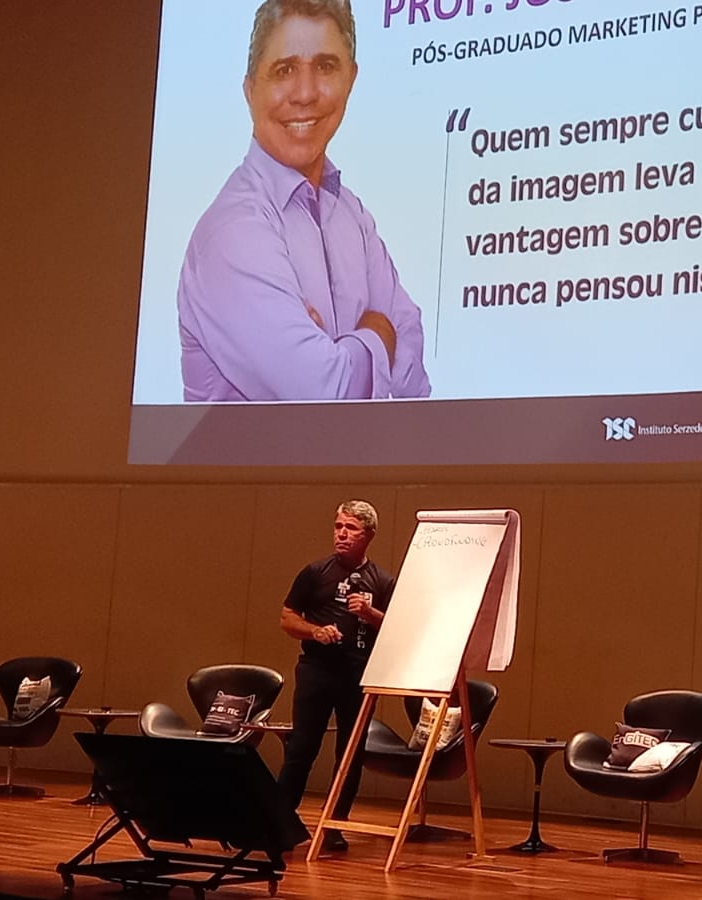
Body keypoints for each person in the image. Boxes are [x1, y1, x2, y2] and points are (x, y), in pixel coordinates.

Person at [177, 0, 431, 402]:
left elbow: (412, 383)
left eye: (326, 67)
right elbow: (322, 397)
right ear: (249, 90)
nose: (306, 93)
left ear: (351, 79)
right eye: (284, 70)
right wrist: (378, 333)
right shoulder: (232, 232)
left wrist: (343, 353)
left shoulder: (351, 213)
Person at [277, 499, 394, 851]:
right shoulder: (315, 572)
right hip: (317, 670)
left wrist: (370, 613)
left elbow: (397, 628)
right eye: (338, 526)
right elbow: (287, 618)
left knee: (350, 753)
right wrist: (315, 631)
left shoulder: (382, 580)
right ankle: (279, 822)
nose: (342, 534)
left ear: (368, 535)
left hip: (358, 674)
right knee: (302, 747)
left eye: (351, 528)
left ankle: (335, 824)